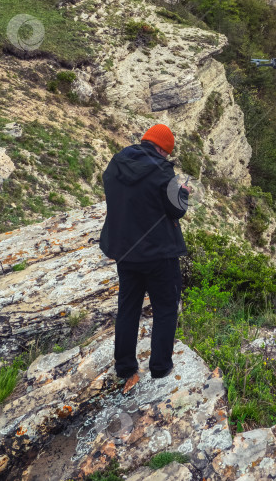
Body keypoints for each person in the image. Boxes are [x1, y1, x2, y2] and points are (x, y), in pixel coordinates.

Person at [99, 123, 190, 393]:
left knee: (128, 307)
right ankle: (160, 367)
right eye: (167, 151)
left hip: (126, 251)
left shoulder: (116, 163)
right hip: (159, 253)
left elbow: (113, 192)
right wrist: (183, 192)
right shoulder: (163, 171)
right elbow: (177, 210)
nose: (166, 156)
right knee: (165, 307)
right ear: (162, 148)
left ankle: (125, 366)